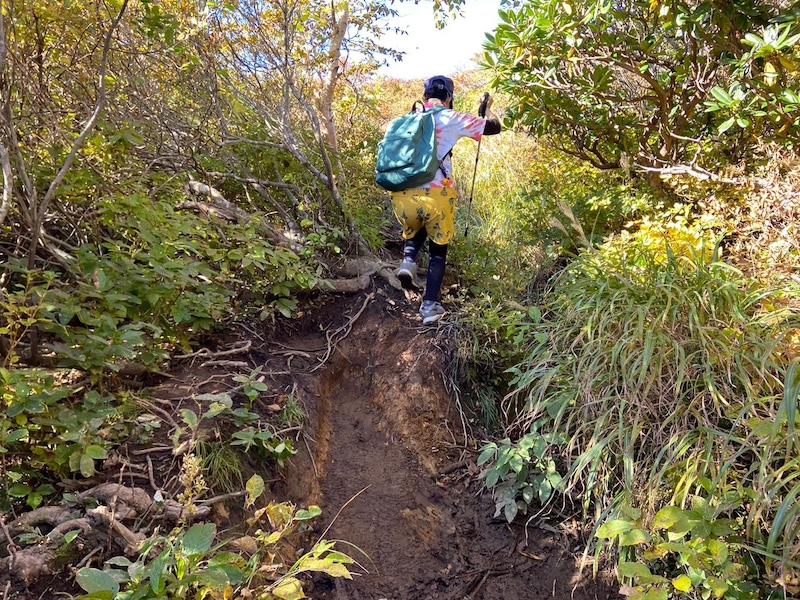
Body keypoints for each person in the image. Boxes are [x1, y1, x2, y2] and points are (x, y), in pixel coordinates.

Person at [391, 76, 502, 324]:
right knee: (438, 251)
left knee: (416, 226)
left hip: (402, 194)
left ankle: (408, 261)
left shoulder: (407, 118)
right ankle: (430, 307)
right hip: (438, 194)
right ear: (448, 98)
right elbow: (494, 127)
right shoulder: (451, 118)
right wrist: (488, 109)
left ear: (425, 94)